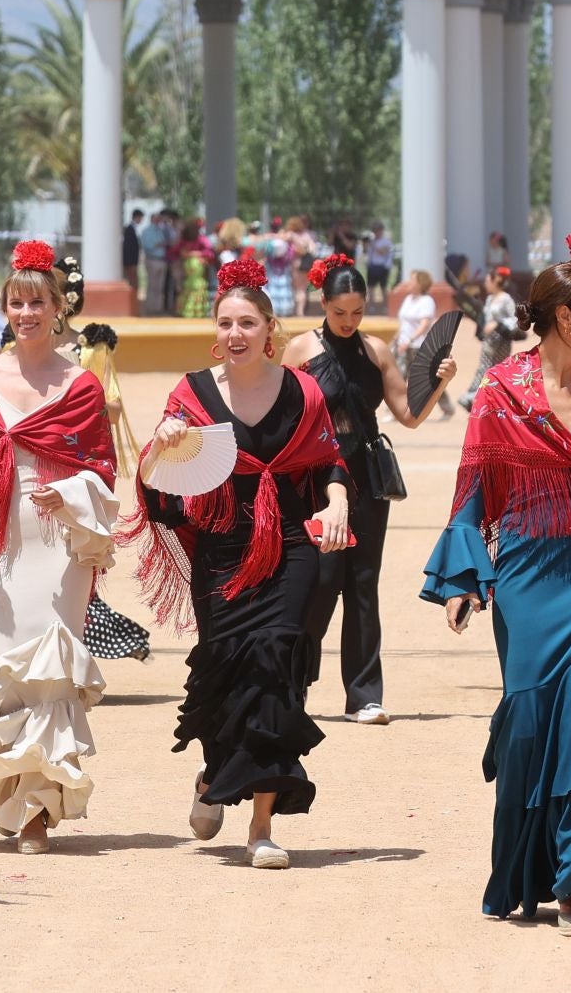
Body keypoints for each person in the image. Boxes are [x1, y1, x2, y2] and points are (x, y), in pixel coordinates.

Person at [423, 234, 571, 936]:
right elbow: (473, 484)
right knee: (534, 726)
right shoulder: (500, 390)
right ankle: (550, 871)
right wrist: (463, 580)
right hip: (528, 580)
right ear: (565, 317)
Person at [120, 258, 350, 871]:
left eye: (248, 322)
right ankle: (211, 775)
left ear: (270, 327)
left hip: (292, 548)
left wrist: (338, 502)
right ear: (215, 331)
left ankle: (261, 827)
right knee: (226, 674)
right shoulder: (190, 393)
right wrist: (160, 449)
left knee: (276, 667)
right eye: (225, 323)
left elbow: (329, 461)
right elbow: (158, 484)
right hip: (222, 549)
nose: (236, 333)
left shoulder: (303, 390)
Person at [0, 242, 120, 854]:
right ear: (5, 308)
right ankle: (10, 792)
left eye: (38, 302)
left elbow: (102, 471)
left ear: (58, 308)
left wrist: (71, 495)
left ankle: (37, 810)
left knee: (49, 669)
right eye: (16, 302)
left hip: (58, 542)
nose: (26, 313)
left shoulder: (82, 386)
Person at [282, 254, 456, 725]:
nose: (349, 320)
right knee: (318, 582)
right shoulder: (299, 350)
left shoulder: (376, 351)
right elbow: (282, 418)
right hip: (317, 480)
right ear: (323, 303)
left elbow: (409, 415)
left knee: (362, 584)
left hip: (367, 479)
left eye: (357, 312)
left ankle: (363, 696)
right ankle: (290, 688)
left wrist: (439, 383)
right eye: (340, 311)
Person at [457, 268, 520, 412]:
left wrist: (497, 323)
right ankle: (479, 399)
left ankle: (479, 398)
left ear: (495, 281)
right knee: (485, 368)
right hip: (489, 341)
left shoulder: (506, 299)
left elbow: (514, 319)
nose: (485, 284)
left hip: (501, 341)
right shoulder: (490, 299)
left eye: (487, 280)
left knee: (497, 370)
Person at [393, 268, 436, 377]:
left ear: (420, 284)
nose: (409, 283)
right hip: (402, 344)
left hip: (417, 346)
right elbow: (404, 322)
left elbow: (424, 325)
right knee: (399, 376)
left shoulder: (427, 301)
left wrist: (409, 340)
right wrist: (397, 336)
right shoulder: (408, 299)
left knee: (417, 378)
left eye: (412, 280)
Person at [177, 218, 214, 319]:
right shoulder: (199, 239)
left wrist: (192, 254)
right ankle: (195, 312)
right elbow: (209, 252)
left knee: (193, 287)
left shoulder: (198, 239)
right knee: (194, 287)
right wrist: (198, 254)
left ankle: (190, 311)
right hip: (192, 267)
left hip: (193, 267)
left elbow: (209, 253)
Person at [363, 223, 394, 306]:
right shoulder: (371, 241)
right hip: (372, 266)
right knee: (370, 287)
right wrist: (365, 244)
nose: (376, 232)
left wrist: (373, 245)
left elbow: (383, 252)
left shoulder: (386, 241)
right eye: (375, 230)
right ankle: (371, 305)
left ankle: (385, 305)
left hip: (382, 266)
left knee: (383, 287)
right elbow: (365, 252)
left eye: (378, 230)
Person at [123, 209, 145, 300]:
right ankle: (131, 300)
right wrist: (130, 262)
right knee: (132, 281)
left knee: (134, 281)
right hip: (130, 261)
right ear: (137, 217)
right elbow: (128, 248)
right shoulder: (129, 229)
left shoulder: (133, 228)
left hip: (133, 261)